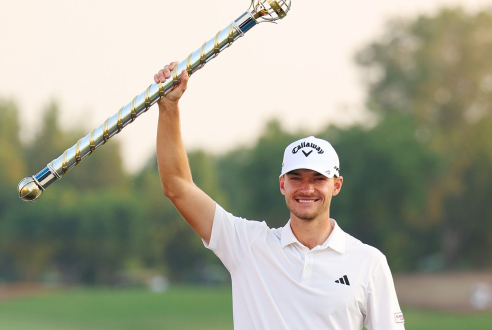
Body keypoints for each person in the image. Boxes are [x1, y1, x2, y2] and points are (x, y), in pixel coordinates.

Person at [155, 61, 405, 329]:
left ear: (337, 185)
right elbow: (177, 186)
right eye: (296, 178)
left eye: (318, 179)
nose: (306, 188)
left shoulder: (368, 262)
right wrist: (169, 108)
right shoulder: (248, 246)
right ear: (282, 184)